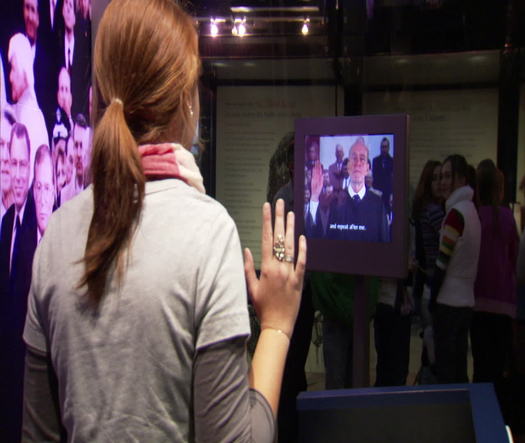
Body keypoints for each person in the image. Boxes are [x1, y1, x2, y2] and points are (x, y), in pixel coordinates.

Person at [22, 1, 307, 442]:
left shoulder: (54, 238)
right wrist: (276, 325)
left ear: (98, 94)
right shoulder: (209, 234)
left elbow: (37, 434)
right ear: (186, 102)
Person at [0, 122, 38, 443]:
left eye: (24, 163)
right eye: (14, 163)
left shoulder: (36, 227)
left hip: (27, 363)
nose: (19, 172)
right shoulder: (5, 222)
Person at [431, 154, 481, 384]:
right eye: (440, 176)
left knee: (447, 372)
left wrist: (432, 295)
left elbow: (442, 262)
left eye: (448, 176)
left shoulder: (455, 214)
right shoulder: (471, 210)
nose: (442, 181)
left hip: (449, 302)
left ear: (461, 179)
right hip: (465, 301)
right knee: (459, 369)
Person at [471, 160, 518, 400]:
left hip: (478, 300)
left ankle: (481, 418)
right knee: (500, 366)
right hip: (504, 303)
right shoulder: (507, 218)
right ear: (499, 189)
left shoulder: (476, 216)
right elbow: (514, 259)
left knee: (481, 365)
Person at [308, 137, 389, 242]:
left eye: (362, 159)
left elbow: (385, 245)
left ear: (367, 169)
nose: (358, 163)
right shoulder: (334, 201)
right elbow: (318, 237)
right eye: (354, 158)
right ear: (348, 167)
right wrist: (314, 197)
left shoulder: (378, 204)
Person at [411, 160, 444, 383]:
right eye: (435, 178)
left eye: (443, 178)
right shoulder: (433, 212)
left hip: (425, 284)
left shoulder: (423, 209)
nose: (440, 183)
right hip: (432, 284)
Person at [8, 32, 49, 183]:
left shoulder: (34, 120)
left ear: (24, 72)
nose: (10, 77)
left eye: (13, 68)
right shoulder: (16, 112)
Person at [33, 144, 55, 240]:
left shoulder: (65, 239)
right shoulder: (21, 239)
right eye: (38, 187)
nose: (42, 199)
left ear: (53, 194)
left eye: (47, 188)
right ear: (33, 192)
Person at [372, 137, 393, 212]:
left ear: (388, 148)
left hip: (388, 194)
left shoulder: (392, 161)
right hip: (377, 193)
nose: (383, 149)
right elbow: (374, 177)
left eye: (385, 147)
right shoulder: (375, 161)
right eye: (382, 147)